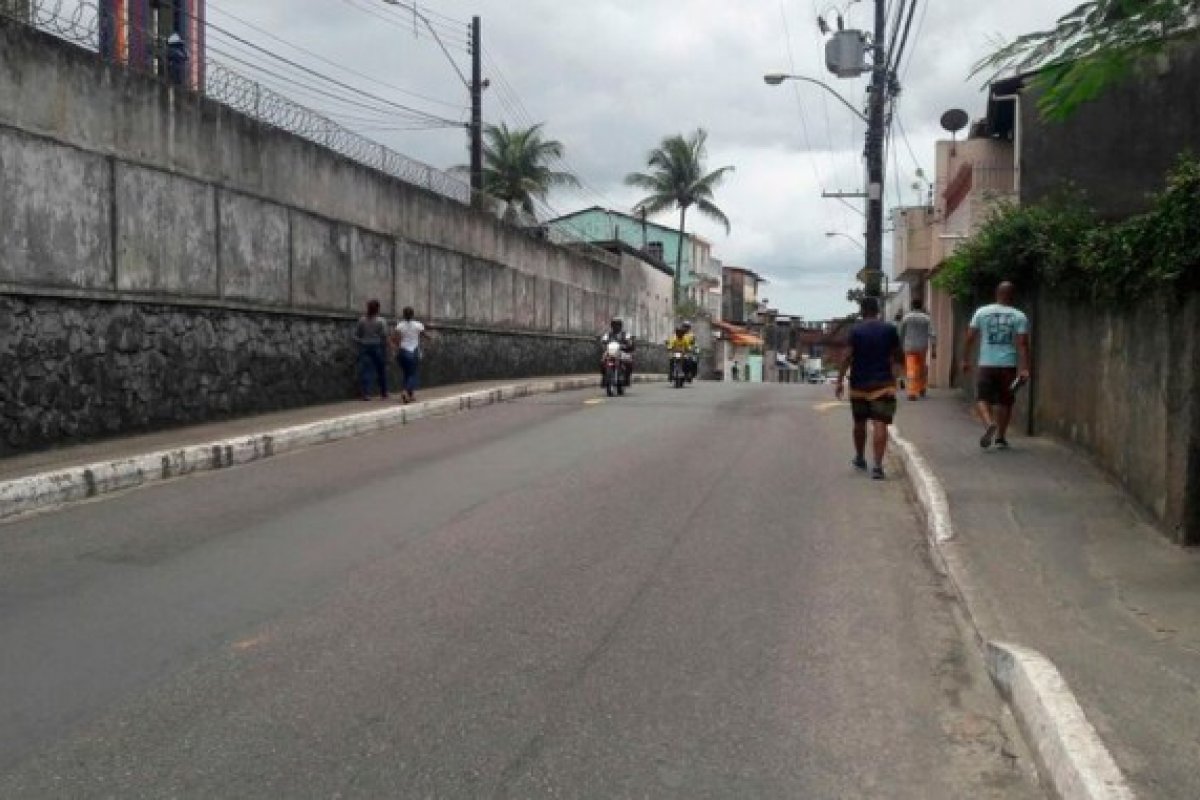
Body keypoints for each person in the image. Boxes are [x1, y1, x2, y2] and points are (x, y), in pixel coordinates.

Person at [835, 296, 901, 480]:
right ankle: (878, 467)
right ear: (878, 310)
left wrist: (840, 380)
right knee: (880, 424)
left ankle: (860, 457)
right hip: (883, 384)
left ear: (862, 311)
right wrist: (894, 379)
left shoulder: (855, 331)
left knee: (859, 423)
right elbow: (897, 357)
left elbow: (847, 357)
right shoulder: (890, 330)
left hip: (859, 385)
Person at [963, 281, 1030, 450]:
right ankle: (1000, 437)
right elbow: (1023, 344)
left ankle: (989, 423)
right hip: (1008, 364)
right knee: (1005, 401)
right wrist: (1025, 367)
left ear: (997, 294)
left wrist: (965, 359)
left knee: (982, 398)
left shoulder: (982, 312)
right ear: (1012, 295)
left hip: (986, 363)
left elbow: (970, 337)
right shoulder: (1019, 315)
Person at [898, 297, 936, 400]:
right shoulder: (926, 318)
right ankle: (922, 387)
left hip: (909, 347)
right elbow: (932, 334)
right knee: (921, 367)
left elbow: (901, 333)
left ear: (912, 306)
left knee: (911, 369)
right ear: (921, 306)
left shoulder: (906, 318)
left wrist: (899, 346)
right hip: (922, 347)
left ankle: (912, 392)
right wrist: (934, 348)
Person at [353, 299, 388, 401]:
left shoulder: (362, 320)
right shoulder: (381, 321)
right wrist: (385, 348)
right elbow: (384, 336)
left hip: (365, 347)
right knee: (381, 370)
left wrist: (361, 341)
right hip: (377, 346)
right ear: (378, 309)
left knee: (366, 371)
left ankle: (366, 394)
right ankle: (384, 392)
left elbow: (356, 335)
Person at [391, 306, 426, 403]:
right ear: (413, 314)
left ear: (403, 314)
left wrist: (394, 349)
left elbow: (394, 339)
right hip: (413, 352)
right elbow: (425, 335)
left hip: (402, 352)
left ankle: (411, 394)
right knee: (412, 374)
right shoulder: (418, 325)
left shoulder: (399, 326)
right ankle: (405, 391)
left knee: (407, 374)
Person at [600, 317, 635, 383]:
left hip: (622, 351)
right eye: (614, 325)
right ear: (612, 326)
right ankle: (604, 377)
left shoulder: (625, 334)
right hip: (610, 351)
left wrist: (628, 345)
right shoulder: (608, 334)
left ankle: (627, 377)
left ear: (620, 326)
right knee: (602, 361)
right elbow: (603, 341)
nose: (616, 326)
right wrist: (603, 345)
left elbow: (630, 341)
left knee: (629, 361)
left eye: (618, 325)